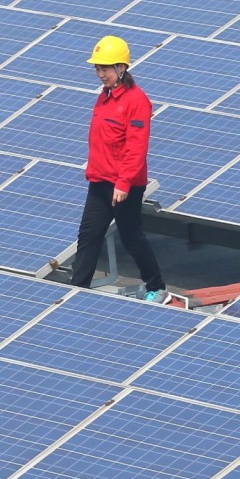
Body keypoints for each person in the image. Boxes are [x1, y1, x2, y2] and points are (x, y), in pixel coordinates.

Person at [71, 35, 164, 300]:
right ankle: (75, 290)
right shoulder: (104, 97)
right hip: (100, 180)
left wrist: (123, 183)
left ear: (121, 68)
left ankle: (156, 286)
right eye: (98, 69)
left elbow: (136, 147)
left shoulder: (136, 101)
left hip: (124, 185)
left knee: (131, 236)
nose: (101, 74)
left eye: (106, 68)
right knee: (89, 235)